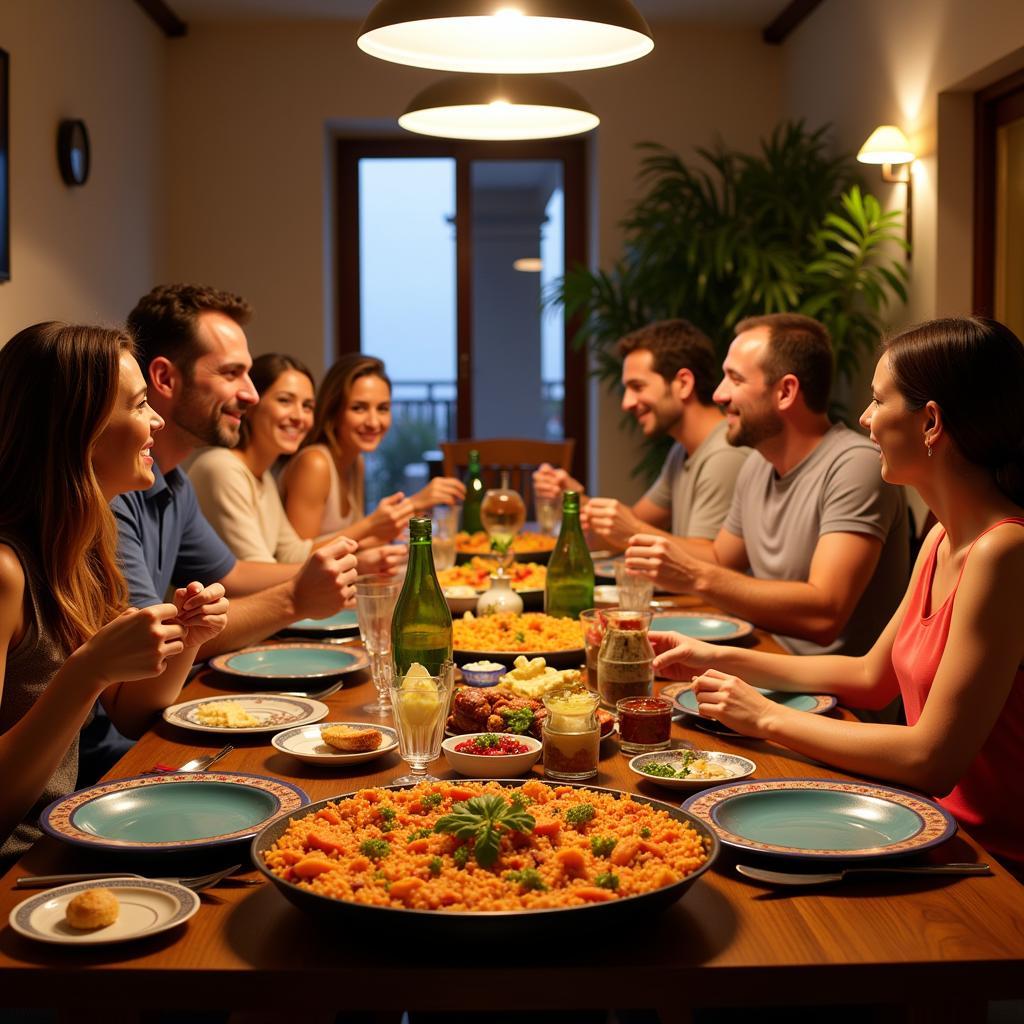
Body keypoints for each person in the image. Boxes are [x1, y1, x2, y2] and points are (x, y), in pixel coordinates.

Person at [652, 316, 1024, 876]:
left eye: (879, 401)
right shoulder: (944, 534)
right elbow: (872, 680)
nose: (867, 419)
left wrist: (765, 716)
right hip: (927, 824)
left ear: (930, 422)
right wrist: (719, 657)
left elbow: (931, 759)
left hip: (994, 863)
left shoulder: (1004, 551)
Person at [0, 323, 228, 865]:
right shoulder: (6, 571)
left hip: (63, 841)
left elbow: (129, 712)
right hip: (19, 867)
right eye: (139, 405)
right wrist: (86, 671)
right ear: (80, 429)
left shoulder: (84, 549)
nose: (157, 420)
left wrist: (188, 638)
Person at [627, 313, 909, 657]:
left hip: (834, 699)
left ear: (786, 391)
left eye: (735, 379)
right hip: (763, 659)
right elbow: (720, 559)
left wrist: (694, 576)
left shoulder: (855, 465)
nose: (718, 394)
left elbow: (825, 615)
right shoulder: (758, 464)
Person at [116, 283, 359, 655]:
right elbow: (151, 652)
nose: (251, 395)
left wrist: (342, 568)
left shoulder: (175, 483)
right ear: (164, 379)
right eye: (231, 373)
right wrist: (295, 598)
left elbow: (233, 575)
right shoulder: (114, 490)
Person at [533, 319, 750, 554]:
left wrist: (632, 529)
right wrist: (575, 500)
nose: (626, 403)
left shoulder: (725, 454)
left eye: (637, 387)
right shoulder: (682, 452)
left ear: (684, 384)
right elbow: (622, 532)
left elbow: (712, 561)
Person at [188, 353, 405, 576]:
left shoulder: (264, 478)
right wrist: (359, 556)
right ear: (252, 403)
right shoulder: (221, 468)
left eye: (308, 406)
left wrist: (361, 559)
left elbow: (292, 553)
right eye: (285, 401)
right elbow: (257, 572)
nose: (299, 417)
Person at [281, 353, 465, 543]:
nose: (373, 422)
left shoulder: (355, 462)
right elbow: (299, 560)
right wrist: (411, 504)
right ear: (333, 411)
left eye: (383, 408)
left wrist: (413, 511)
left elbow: (355, 544)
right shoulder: (315, 464)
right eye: (359, 408)